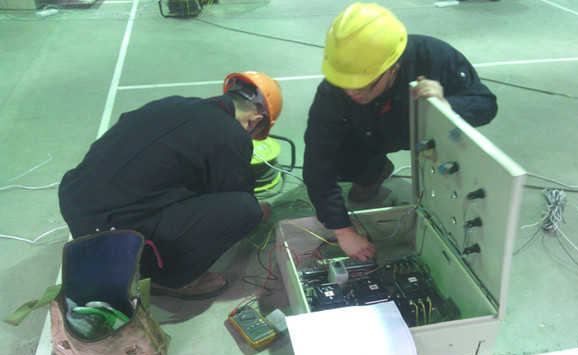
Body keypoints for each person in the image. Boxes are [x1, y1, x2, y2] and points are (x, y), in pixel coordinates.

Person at [59, 71, 283, 300]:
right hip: (113, 231)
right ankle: (169, 278)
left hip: (75, 202)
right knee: (245, 209)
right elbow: (234, 195)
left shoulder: (172, 104)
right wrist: (258, 213)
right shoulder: (231, 135)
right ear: (255, 121)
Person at [303, 3, 498, 262]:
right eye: (346, 83)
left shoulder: (434, 57)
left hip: (418, 134)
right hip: (366, 136)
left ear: (393, 66)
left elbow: (486, 104)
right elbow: (318, 162)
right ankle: (374, 171)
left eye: (363, 84)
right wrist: (342, 230)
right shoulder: (334, 89)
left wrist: (449, 107)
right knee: (338, 164)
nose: (352, 92)